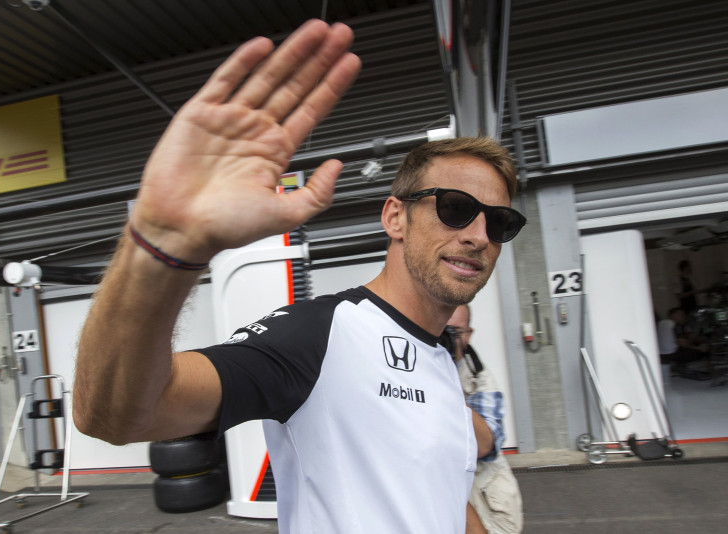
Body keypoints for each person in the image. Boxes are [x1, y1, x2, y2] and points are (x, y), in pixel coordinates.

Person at [72, 19, 526, 533]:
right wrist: (160, 248)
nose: (479, 235)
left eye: (499, 222)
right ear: (395, 217)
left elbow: (435, 492)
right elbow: (114, 415)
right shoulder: (317, 335)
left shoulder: (443, 355)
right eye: (456, 207)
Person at [444, 304, 523, 534]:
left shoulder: (479, 378)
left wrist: (444, 382)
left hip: (483, 496)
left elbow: (484, 447)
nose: (446, 339)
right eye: (442, 329)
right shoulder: (411, 366)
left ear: (468, 335)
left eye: (455, 332)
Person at [657, 307, 710, 380]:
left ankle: (678, 366)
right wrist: (700, 348)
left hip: (661, 355)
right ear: (674, 315)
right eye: (681, 315)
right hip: (673, 354)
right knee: (700, 352)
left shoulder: (661, 323)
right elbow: (683, 344)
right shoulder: (675, 325)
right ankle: (683, 368)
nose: (684, 317)